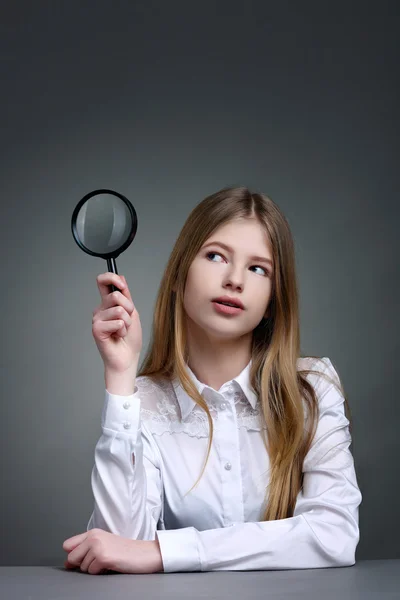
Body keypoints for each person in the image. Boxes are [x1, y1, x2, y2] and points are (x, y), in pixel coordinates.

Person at [67, 186, 362, 574]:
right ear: (178, 275)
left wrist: (163, 552)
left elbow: (334, 535)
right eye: (216, 256)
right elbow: (114, 546)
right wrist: (121, 377)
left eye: (259, 268)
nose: (235, 279)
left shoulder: (313, 387)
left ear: (274, 298)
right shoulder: (147, 402)